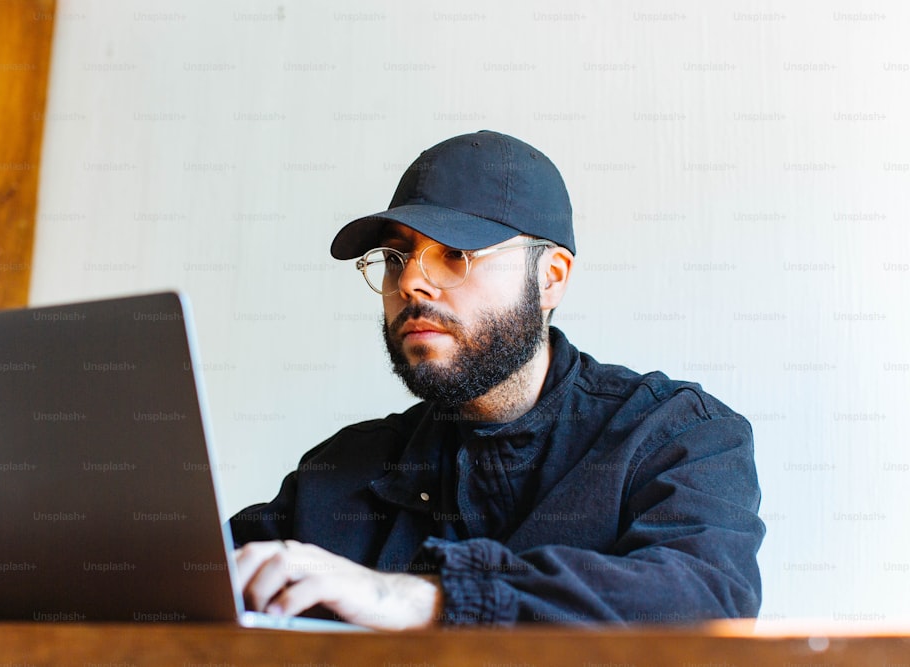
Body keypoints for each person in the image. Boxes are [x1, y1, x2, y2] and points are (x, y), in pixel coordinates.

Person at [230, 130, 764, 630]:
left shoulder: (673, 436)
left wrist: (423, 598)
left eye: (455, 254)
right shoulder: (340, 474)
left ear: (550, 278)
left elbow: (703, 597)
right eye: (396, 257)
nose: (411, 281)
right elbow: (194, 580)